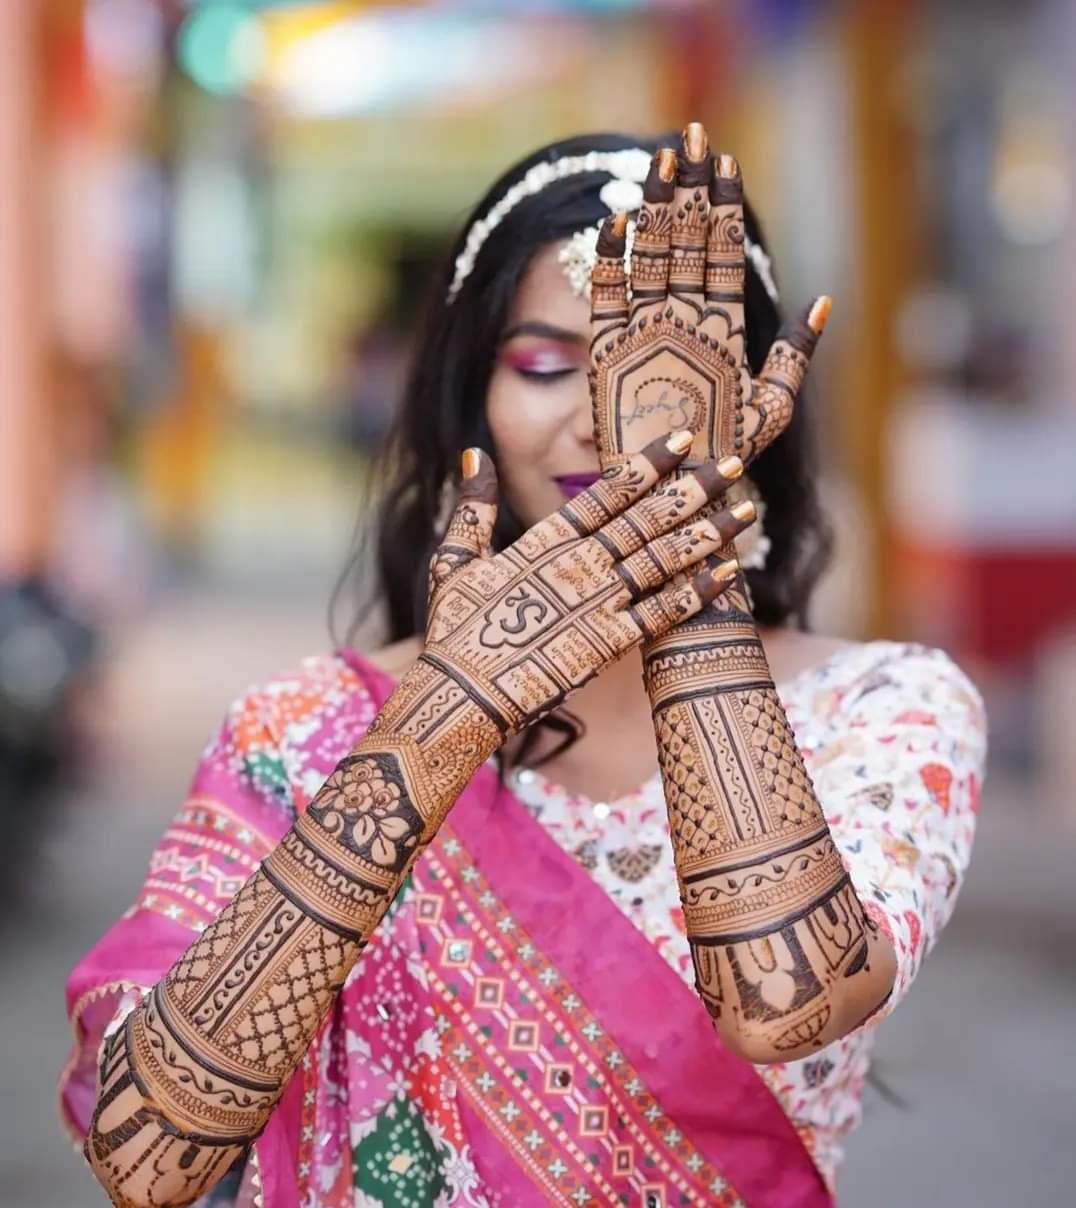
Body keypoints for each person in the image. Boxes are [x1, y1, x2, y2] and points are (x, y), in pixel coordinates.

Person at [61, 124, 986, 1207]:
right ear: (472, 399)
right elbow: (145, 1154)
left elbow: (782, 1003)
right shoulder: (306, 727)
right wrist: (440, 722)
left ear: (758, 400)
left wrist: (685, 568)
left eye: (666, 380)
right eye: (546, 363)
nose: (612, 418)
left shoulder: (884, 707)